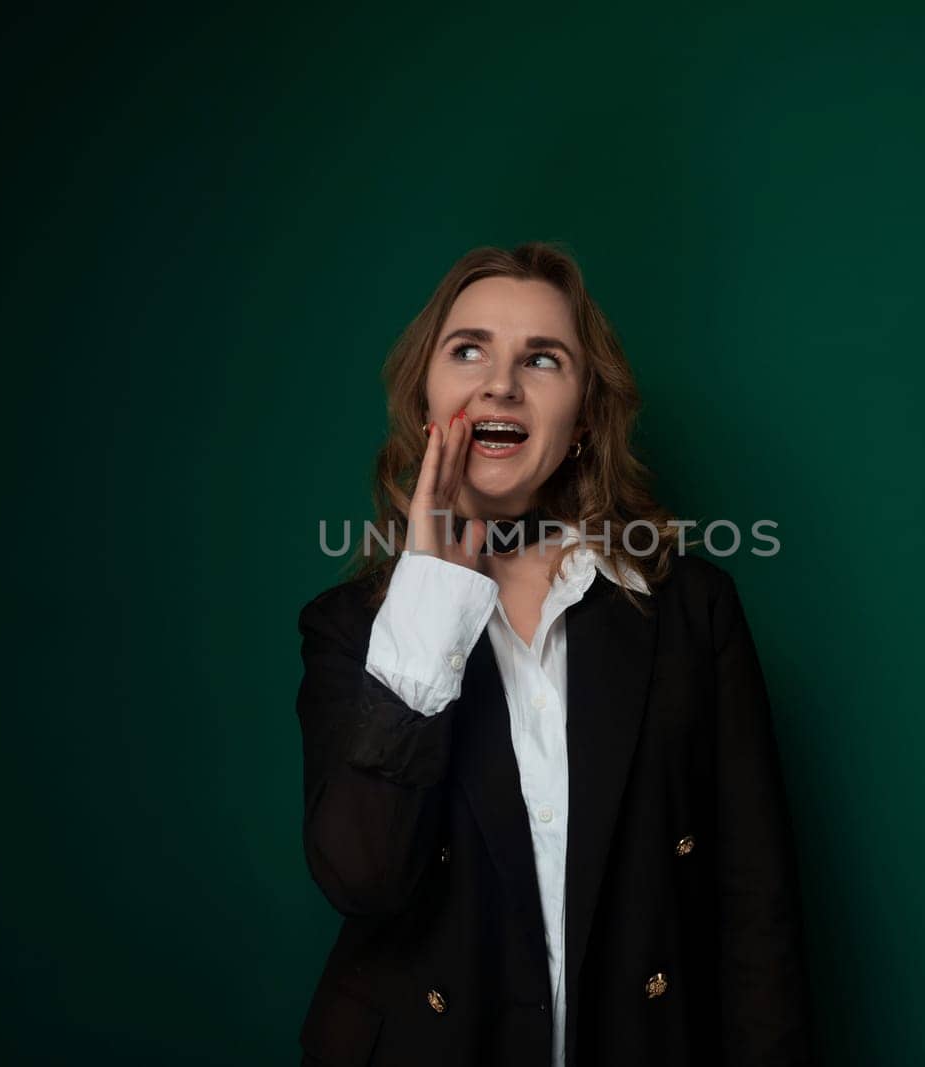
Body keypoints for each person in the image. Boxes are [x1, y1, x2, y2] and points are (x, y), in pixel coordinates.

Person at [295, 241, 814, 1066]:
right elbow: (363, 876)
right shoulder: (347, 629)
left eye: (542, 358)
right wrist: (430, 596)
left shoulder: (692, 611)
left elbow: (757, 909)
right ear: (426, 396)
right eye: (469, 350)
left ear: (584, 416)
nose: (501, 382)